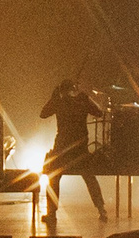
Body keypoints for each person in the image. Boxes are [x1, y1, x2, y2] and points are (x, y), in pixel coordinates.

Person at [40, 77, 107, 221]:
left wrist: (54, 98)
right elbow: (99, 112)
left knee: (54, 178)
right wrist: (86, 98)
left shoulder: (59, 101)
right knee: (89, 178)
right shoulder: (82, 100)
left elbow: (43, 114)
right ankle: (102, 210)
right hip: (80, 149)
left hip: (62, 150)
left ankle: (51, 213)